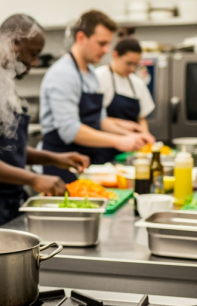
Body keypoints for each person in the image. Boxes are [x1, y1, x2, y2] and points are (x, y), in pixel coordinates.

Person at [0, 14, 89, 227]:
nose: (34, 62)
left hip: (8, 201)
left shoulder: (4, 86)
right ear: (12, 43)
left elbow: (8, 149)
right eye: (33, 54)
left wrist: (54, 158)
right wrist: (33, 179)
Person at [40, 10, 153, 182]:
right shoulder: (63, 74)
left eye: (108, 44)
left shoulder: (91, 73)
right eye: (101, 43)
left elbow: (99, 120)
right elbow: (70, 131)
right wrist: (118, 141)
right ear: (81, 38)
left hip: (86, 162)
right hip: (61, 167)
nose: (106, 50)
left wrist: (129, 133)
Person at [95, 28, 156, 163]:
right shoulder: (99, 78)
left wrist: (144, 137)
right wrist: (129, 135)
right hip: (105, 151)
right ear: (115, 55)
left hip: (131, 153)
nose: (132, 69)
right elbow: (99, 119)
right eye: (129, 63)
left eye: (136, 64)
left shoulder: (137, 83)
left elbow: (141, 118)